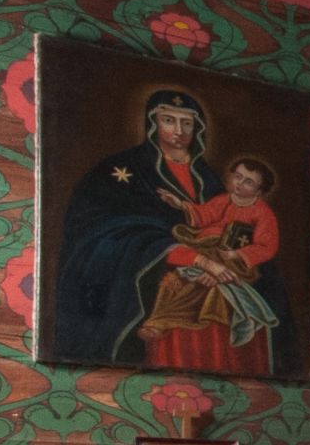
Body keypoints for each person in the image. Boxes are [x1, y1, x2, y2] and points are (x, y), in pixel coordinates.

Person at [54, 87, 286, 373]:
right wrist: (200, 260)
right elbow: (117, 231)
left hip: (223, 275)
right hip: (155, 274)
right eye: (168, 120)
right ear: (153, 123)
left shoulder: (209, 178)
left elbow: (251, 241)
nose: (179, 131)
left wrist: (230, 262)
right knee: (175, 287)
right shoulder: (126, 170)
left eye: (186, 123)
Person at [134, 155, 284, 372]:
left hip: (235, 262)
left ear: (259, 191)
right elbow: (203, 214)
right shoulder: (224, 200)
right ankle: (158, 322)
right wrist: (180, 205)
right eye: (238, 177)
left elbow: (267, 246)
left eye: (248, 182)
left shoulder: (263, 213)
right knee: (173, 281)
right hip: (207, 249)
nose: (240, 184)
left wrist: (236, 254)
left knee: (208, 288)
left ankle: (163, 322)